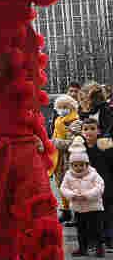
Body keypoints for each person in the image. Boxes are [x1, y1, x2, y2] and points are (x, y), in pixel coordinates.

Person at [60, 137, 105, 257]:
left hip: (93, 207)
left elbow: (100, 187)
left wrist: (88, 195)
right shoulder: (69, 175)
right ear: (71, 165)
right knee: (81, 230)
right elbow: (63, 188)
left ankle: (99, 246)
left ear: (87, 164)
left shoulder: (93, 174)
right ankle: (82, 247)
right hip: (79, 208)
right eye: (75, 165)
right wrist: (72, 195)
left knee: (95, 229)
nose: (78, 168)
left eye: (81, 165)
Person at [81, 117, 113, 248]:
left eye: (93, 129)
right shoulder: (80, 148)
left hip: (106, 184)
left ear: (98, 131)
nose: (89, 132)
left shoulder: (105, 146)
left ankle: (109, 238)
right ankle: (93, 239)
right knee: (91, 214)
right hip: (88, 185)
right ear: (82, 132)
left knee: (107, 213)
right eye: (86, 129)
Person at [50, 94, 82, 225]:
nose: (62, 109)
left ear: (72, 107)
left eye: (65, 107)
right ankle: (66, 210)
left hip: (70, 158)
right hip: (58, 158)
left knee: (73, 185)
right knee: (60, 184)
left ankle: (76, 213)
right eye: (60, 107)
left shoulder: (75, 121)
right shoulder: (58, 120)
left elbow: (72, 142)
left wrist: (54, 142)